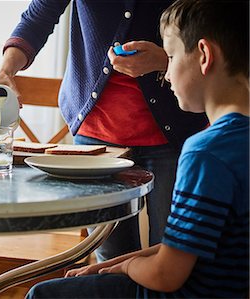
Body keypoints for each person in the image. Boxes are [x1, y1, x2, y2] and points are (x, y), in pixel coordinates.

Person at [26, 0, 249, 297]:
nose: (166, 75)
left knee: (42, 294)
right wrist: (113, 266)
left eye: (170, 56)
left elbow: (167, 275)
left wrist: (127, 269)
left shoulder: (203, 153)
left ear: (204, 56)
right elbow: (185, 248)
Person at [0, 1, 208, 262]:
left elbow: (213, 34)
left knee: (171, 255)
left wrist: (165, 61)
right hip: (96, 138)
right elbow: (39, 16)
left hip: (175, 132)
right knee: (109, 257)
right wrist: (5, 71)